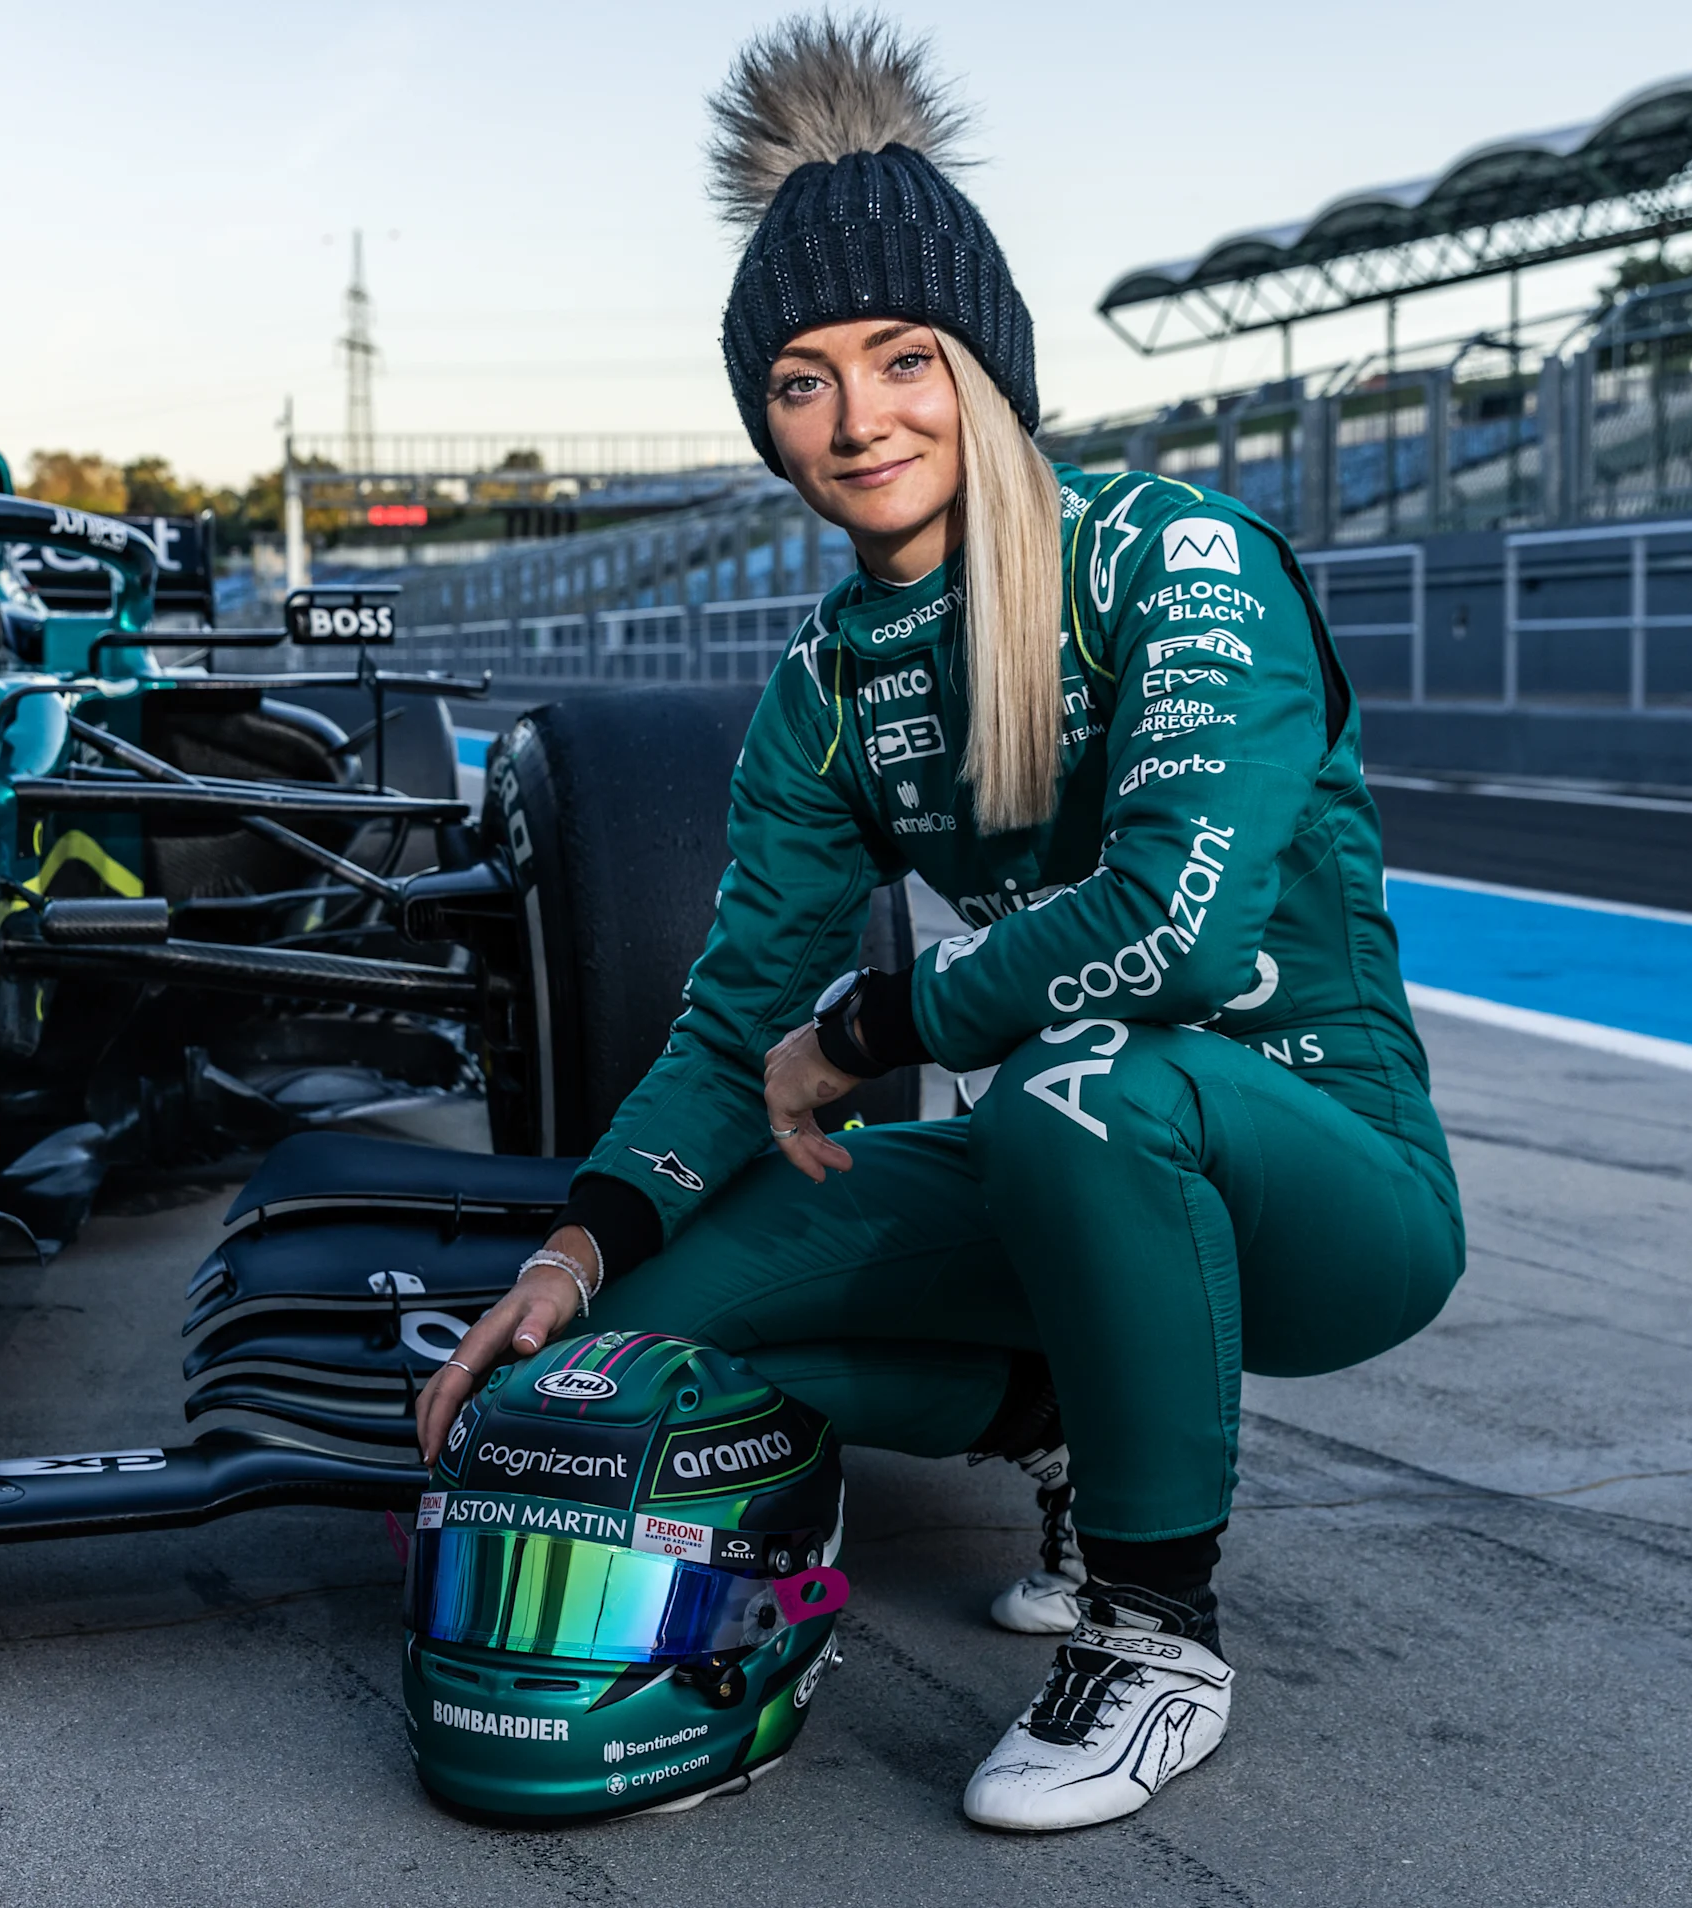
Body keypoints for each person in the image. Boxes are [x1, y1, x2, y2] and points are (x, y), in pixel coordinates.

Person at [414, 15, 1464, 1834]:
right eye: (804, 381)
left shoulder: (1178, 558)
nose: (860, 418)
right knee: (645, 1345)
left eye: (904, 359)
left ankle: (1155, 1632)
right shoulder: (823, 684)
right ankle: (1072, 1411)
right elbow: (738, 1008)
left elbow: (1183, 931)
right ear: (766, 419)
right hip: (1069, 1153)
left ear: (983, 369)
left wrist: (874, 1037)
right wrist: (575, 1251)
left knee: (1084, 1078)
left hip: (1325, 1184)